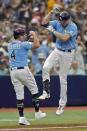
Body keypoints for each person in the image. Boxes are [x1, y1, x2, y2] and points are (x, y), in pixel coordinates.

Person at [39, 10, 77, 115]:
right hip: (57, 50)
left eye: (63, 21)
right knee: (45, 67)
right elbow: (44, 23)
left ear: (68, 19)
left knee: (62, 79)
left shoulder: (72, 26)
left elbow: (65, 38)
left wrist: (53, 31)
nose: (61, 23)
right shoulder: (58, 22)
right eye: (60, 21)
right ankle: (46, 92)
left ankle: (61, 105)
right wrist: (50, 13)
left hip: (67, 53)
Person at [8, 28, 46, 125]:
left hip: (13, 72)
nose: (24, 36)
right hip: (23, 70)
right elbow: (36, 45)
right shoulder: (23, 44)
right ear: (20, 36)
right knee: (34, 90)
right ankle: (37, 112)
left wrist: (29, 40)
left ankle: (21, 117)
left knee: (19, 96)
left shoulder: (10, 45)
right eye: (23, 35)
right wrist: (34, 34)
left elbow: (23, 46)